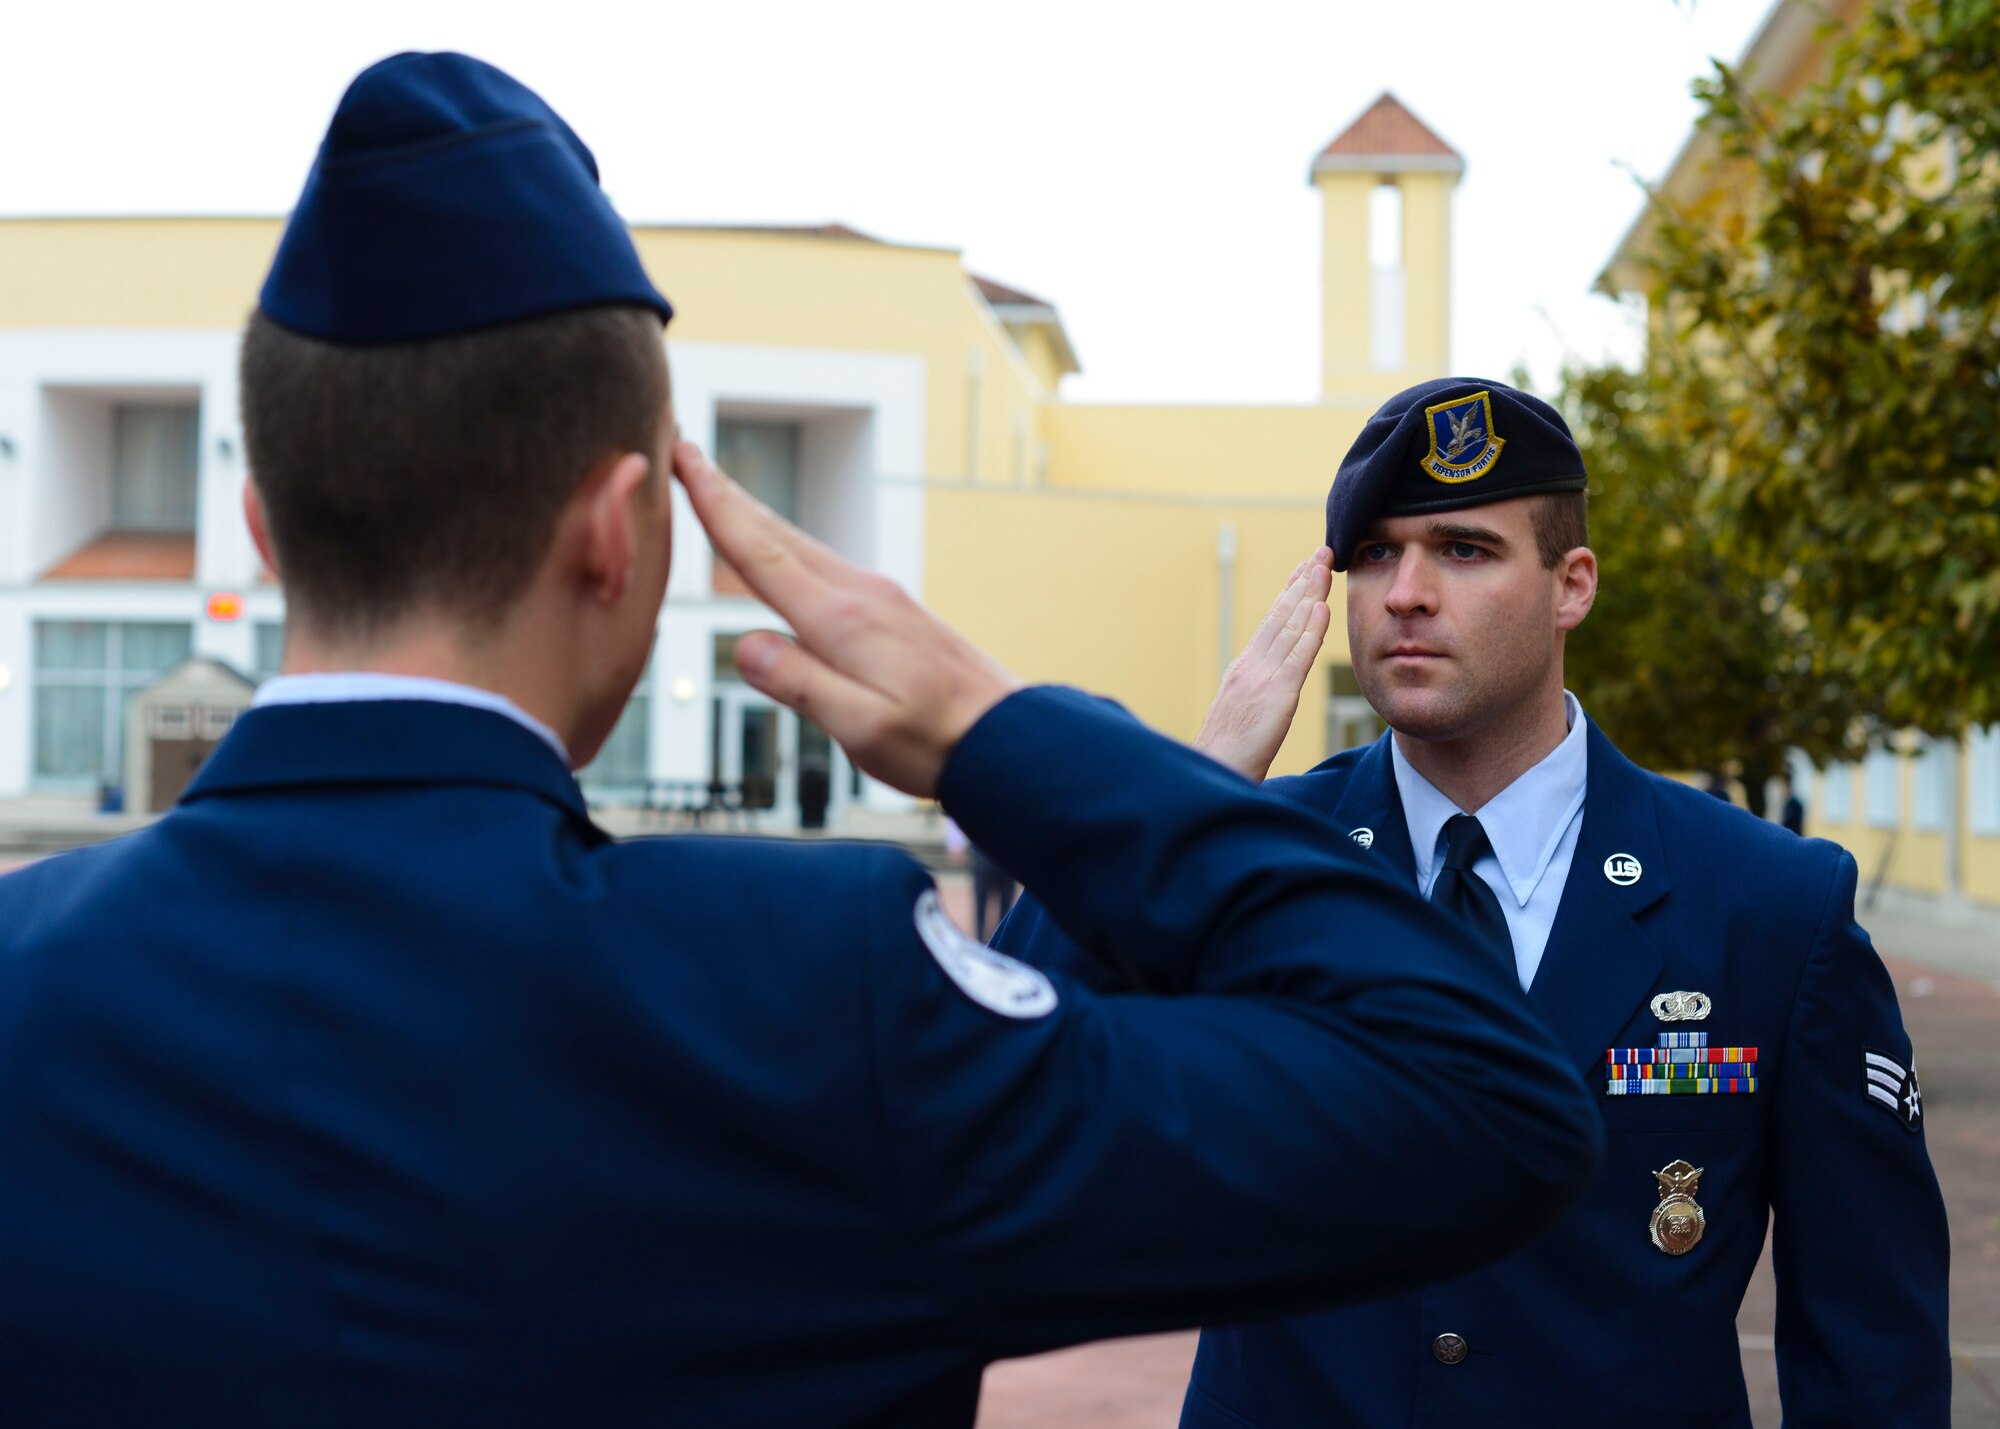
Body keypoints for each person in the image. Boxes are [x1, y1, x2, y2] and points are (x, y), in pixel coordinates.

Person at [0, 60, 1602, 1428]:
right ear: (622, 533)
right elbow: (1485, 1105)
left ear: (262, 526)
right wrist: (1009, 734)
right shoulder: (807, 998)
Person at [996, 377, 1951, 1427]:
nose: (1404, 591)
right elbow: (999, 1089)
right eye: (1372, 554)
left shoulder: (1768, 902)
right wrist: (1189, 791)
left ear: (1570, 584)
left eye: (1462, 549)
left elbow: (1869, 1338)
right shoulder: (1240, 852)